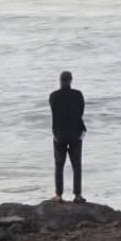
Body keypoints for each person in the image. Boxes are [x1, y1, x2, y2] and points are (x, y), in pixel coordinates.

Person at [49, 71, 86, 203]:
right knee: (77, 165)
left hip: (59, 135)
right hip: (75, 133)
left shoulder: (53, 96)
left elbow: (54, 111)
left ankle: (59, 195)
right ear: (70, 80)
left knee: (59, 165)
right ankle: (77, 195)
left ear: (60, 80)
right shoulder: (77, 95)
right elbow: (81, 110)